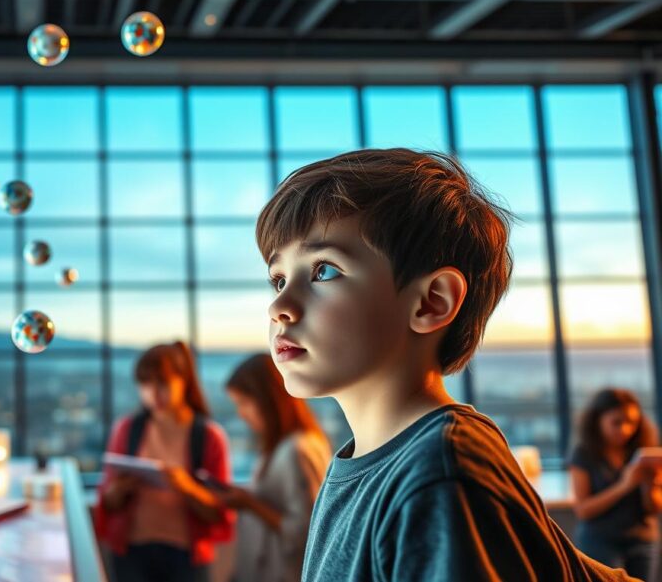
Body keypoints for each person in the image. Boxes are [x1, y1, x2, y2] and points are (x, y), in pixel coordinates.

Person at [258, 149, 630, 580]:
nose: (279, 306)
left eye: (323, 271)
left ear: (432, 302)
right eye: (279, 279)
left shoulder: (440, 471)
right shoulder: (370, 462)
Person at [95, 341, 234, 582]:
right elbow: (108, 500)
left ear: (184, 381)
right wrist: (117, 491)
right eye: (145, 383)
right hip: (132, 550)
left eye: (163, 382)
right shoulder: (127, 429)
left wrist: (186, 487)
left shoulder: (208, 436)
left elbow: (221, 512)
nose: (153, 392)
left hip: (186, 555)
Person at [217, 353, 330, 582]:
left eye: (244, 403)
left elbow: (306, 531)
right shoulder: (281, 446)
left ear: (267, 399)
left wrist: (250, 504)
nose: (241, 413)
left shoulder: (298, 450)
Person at [570, 388, 662, 580]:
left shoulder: (642, 451)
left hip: (642, 540)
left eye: (632, 423)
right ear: (598, 421)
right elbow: (583, 510)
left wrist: (650, 486)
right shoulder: (583, 453)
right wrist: (625, 485)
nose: (625, 430)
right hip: (600, 541)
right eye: (616, 422)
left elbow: (654, 508)